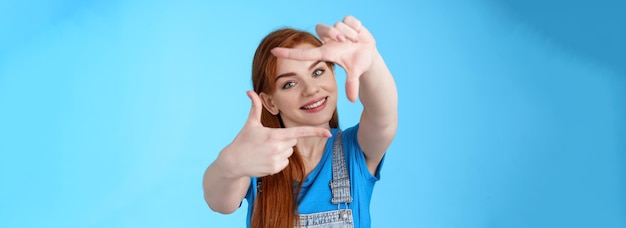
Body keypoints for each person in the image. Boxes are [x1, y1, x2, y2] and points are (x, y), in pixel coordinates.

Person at [202, 15, 398, 228]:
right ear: (269, 102)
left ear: (333, 74)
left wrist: (371, 62)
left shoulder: (355, 151)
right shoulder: (258, 161)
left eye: (318, 72)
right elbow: (220, 203)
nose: (311, 89)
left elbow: (383, 115)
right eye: (290, 84)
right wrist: (230, 164)